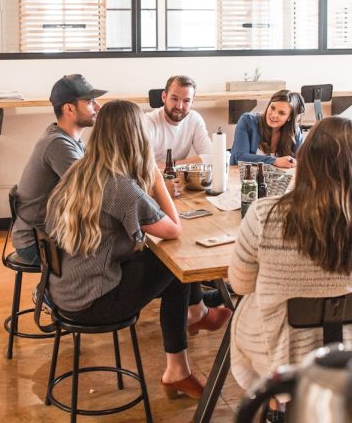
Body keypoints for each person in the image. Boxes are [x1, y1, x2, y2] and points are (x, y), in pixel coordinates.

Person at [45, 100, 229, 400]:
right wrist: (155, 175)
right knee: (174, 261)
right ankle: (186, 343)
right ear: (137, 137)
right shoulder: (119, 186)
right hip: (94, 301)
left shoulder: (80, 171)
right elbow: (173, 228)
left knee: (163, 262)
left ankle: (192, 327)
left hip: (65, 290)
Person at [229, 117, 352, 397]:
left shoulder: (264, 214)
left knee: (248, 305)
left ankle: (277, 397)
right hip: (351, 343)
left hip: (279, 347)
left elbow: (240, 284)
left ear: (306, 157)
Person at [10, 74, 105, 265]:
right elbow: (93, 190)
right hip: (38, 243)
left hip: (50, 234)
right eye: (89, 102)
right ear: (69, 108)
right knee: (117, 252)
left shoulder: (69, 140)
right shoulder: (58, 144)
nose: (97, 107)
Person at [144, 75, 213, 167]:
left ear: (192, 101)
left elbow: (210, 157)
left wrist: (172, 166)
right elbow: (142, 164)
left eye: (186, 101)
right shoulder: (148, 122)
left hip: (179, 174)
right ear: (164, 97)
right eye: (174, 99)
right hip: (153, 176)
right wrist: (176, 166)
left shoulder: (194, 119)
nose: (179, 106)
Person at [230, 89, 305, 169]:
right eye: (272, 108)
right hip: (240, 175)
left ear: (289, 117)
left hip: (281, 176)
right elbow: (240, 157)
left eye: (281, 113)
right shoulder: (247, 121)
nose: (274, 115)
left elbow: (303, 160)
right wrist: (275, 161)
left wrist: (296, 162)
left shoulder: (294, 131)